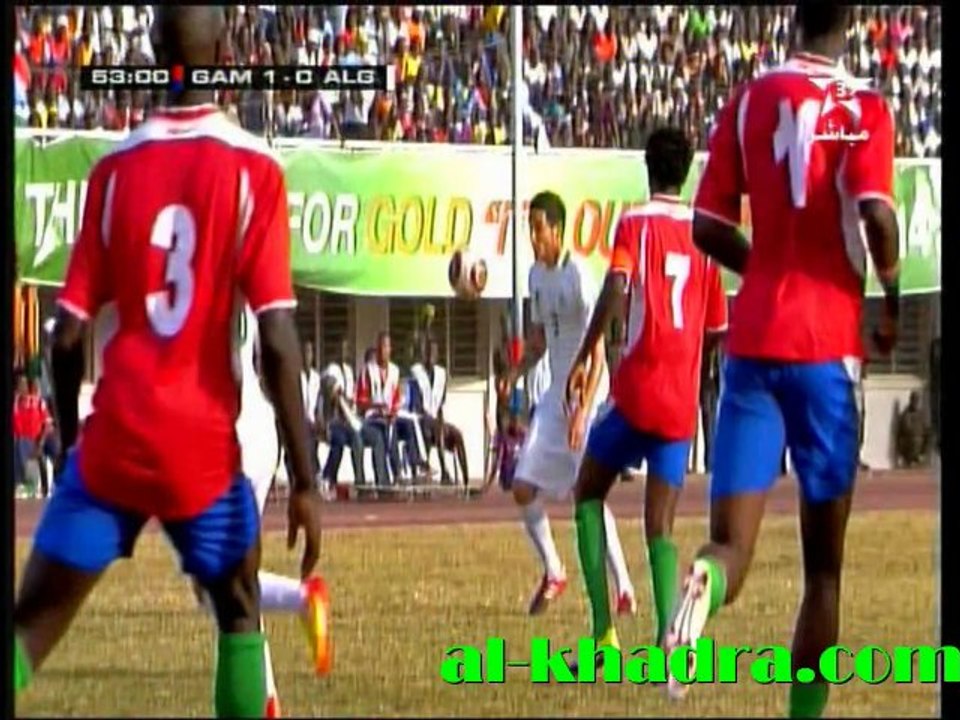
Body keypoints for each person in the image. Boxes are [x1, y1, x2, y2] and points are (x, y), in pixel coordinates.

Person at [12, 9, 323, 718]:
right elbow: (278, 338)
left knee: (28, 628)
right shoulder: (254, 170)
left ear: (153, 52)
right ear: (226, 51)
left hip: (115, 438)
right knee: (239, 612)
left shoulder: (114, 171)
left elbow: (65, 336)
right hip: (202, 450)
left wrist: (71, 443)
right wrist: (306, 478)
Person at [664, 6, 900, 716]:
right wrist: (887, 295)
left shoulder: (747, 99)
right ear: (850, 23)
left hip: (754, 344)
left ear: (795, 20)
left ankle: (702, 582)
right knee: (823, 574)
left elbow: (707, 224)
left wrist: (763, 266)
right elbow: (878, 215)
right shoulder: (860, 106)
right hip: (825, 353)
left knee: (730, 544)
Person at [565, 128, 728, 658]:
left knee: (589, 490)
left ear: (647, 168)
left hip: (638, 387)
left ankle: (602, 634)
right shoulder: (706, 234)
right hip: (681, 398)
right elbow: (717, 328)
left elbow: (617, 286)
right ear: (686, 174)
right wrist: (705, 382)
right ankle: (667, 638)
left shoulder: (635, 223)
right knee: (660, 524)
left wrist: (590, 349)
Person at [507, 190, 635, 616]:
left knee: (589, 494)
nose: (533, 236)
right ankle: (555, 570)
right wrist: (514, 373)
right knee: (523, 487)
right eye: (530, 228)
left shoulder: (579, 273)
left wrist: (584, 409)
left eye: (538, 228)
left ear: (557, 230)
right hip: (554, 393)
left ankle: (624, 587)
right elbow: (540, 339)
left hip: (587, 395)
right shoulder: (534, 277)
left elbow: (596, 349)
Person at [357, 332, 427, 484]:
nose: (384, 350)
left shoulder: (395, 371)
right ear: (377, 349)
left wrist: (393, 411)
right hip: (373, 417)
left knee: (408, 425)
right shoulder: (367, 371)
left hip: (390, 415)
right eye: (382, 346)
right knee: (390, 427)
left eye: (387, 346)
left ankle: (416, 465)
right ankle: (397, 472)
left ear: (390, 349)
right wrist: (376, 405)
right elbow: (360, 401)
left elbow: (396, 398)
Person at [319, 339, 391, 487]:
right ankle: (360, 482)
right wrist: (348, 410)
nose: (344, 352)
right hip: (335, 422)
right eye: (341, 348)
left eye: (346, 348)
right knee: (356, 437)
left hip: (353, 420)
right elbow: (336, 397)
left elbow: (353, 398)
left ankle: (382, 482)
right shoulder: (330, 370)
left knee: (377, 436)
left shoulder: (348, 370)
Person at [410, 338, 468, 485]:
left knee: (457, 434)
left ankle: (466, 482)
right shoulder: (416, 373)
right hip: (421, 421)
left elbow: (441, 403)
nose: (430, 355)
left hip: (437, 421)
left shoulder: (441, 374)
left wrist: (440, 419)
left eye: (433, 352)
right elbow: (416, 405)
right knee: (438, 429)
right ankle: (444, 472)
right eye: (427, 351)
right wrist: (434, 420)